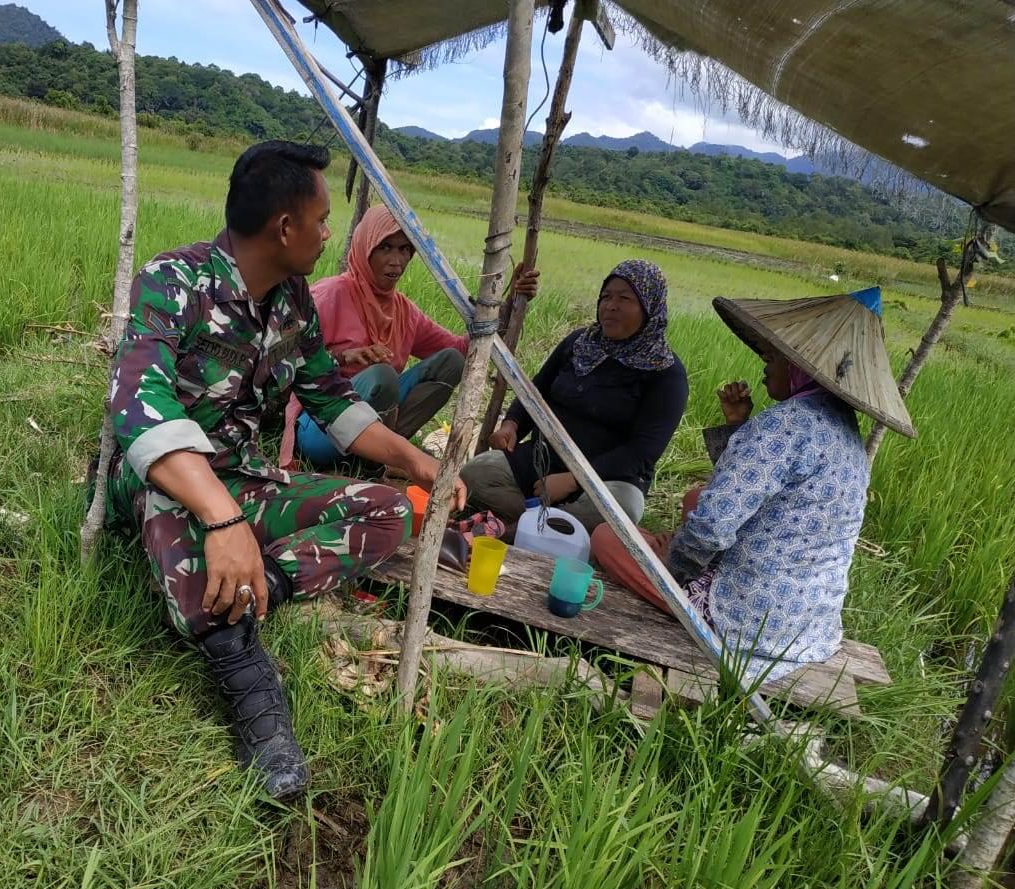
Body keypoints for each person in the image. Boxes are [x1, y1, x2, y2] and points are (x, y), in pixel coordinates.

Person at [100, 141, 467, 801]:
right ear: (284, 228)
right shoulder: (174, 279)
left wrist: (422, 462)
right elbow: (137, 407)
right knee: (179, 541)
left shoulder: (293, 300)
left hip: (243, 476)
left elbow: (333, 399)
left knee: (386, 510)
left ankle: (249, 587)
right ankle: (250, 687)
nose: (331, 235)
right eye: (324, 220)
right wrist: (223, 517)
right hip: (165, 481)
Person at [591, 286, 915, 682]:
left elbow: (711, 527)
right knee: (696, 498)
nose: (764, 364)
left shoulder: (784, 424)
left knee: (607, 536)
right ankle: (668, 552)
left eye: (773, 356)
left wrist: (673, 571)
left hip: (746, 620)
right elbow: (748, 486)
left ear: (800, 366)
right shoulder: (847, 433)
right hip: (807, 623)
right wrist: (737, 425)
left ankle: (683, 591)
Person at [277, 204, 539, 469]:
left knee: (451, 362)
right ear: (365, 247)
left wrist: (510, 304)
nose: (396, 260)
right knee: (382, 376)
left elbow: (465, 350)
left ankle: (379, 459)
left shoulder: (404, 312)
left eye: (404, 249)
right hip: (322, 423)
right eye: (385, 247)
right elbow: (284, 358)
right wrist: (343, 358)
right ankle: (375, 459)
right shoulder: (330, 295)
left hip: (376, 429)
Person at [460, 259, 687, 533]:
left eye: (625, 299)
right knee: (475, 475)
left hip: (608, 479)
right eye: (606, 297)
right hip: (544, 459)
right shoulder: (579, 343)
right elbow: (535, 392)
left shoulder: (665, 374)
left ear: (650, 308)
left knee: (622, 510)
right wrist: (513, 423)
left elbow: (641, 454)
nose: (611, 306)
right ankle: (554, 527)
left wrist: (575, 479)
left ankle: (529, 526)